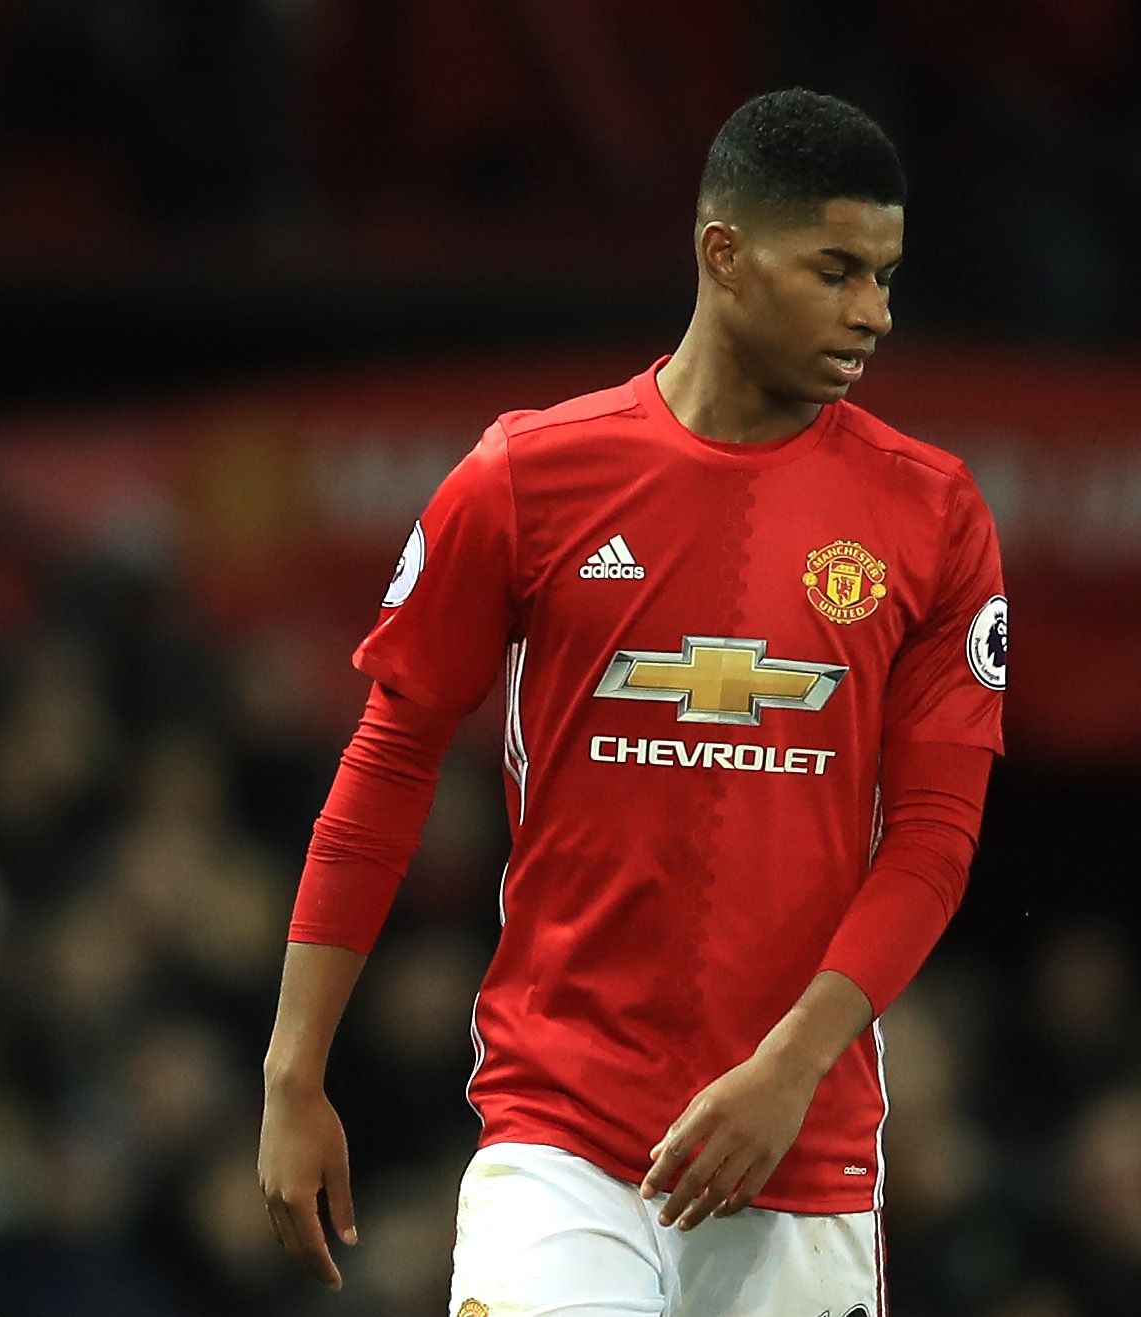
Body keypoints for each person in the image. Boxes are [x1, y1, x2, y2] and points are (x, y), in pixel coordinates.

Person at [258, 89, 1004, 1315]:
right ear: (724, 254)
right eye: (836, 271)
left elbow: (932, 841)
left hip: (801, 1151)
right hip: (561, 1137)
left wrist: (790, 1067)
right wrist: (295, 1071)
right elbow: (387, 768)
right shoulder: (526, 478)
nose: (874, 312)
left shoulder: (934, 515)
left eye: (885, 275)